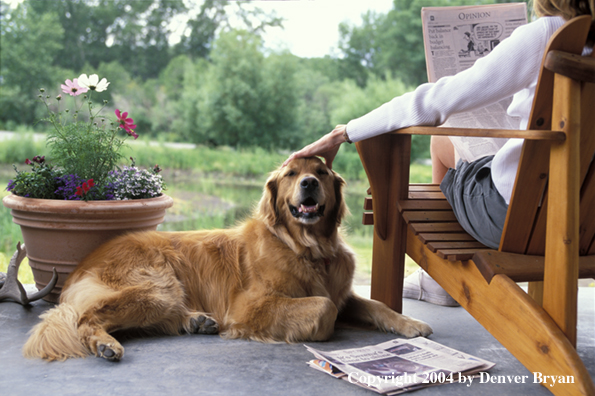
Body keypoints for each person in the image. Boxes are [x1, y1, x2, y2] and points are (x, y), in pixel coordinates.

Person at [283, 0, 594, 306]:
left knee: (443, 143)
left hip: (521, 222)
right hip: (588, 222)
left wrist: (345, 131)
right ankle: (436, 280)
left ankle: (437, 279)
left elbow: (433, 102)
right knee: (460, 146)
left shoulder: (553, 34)